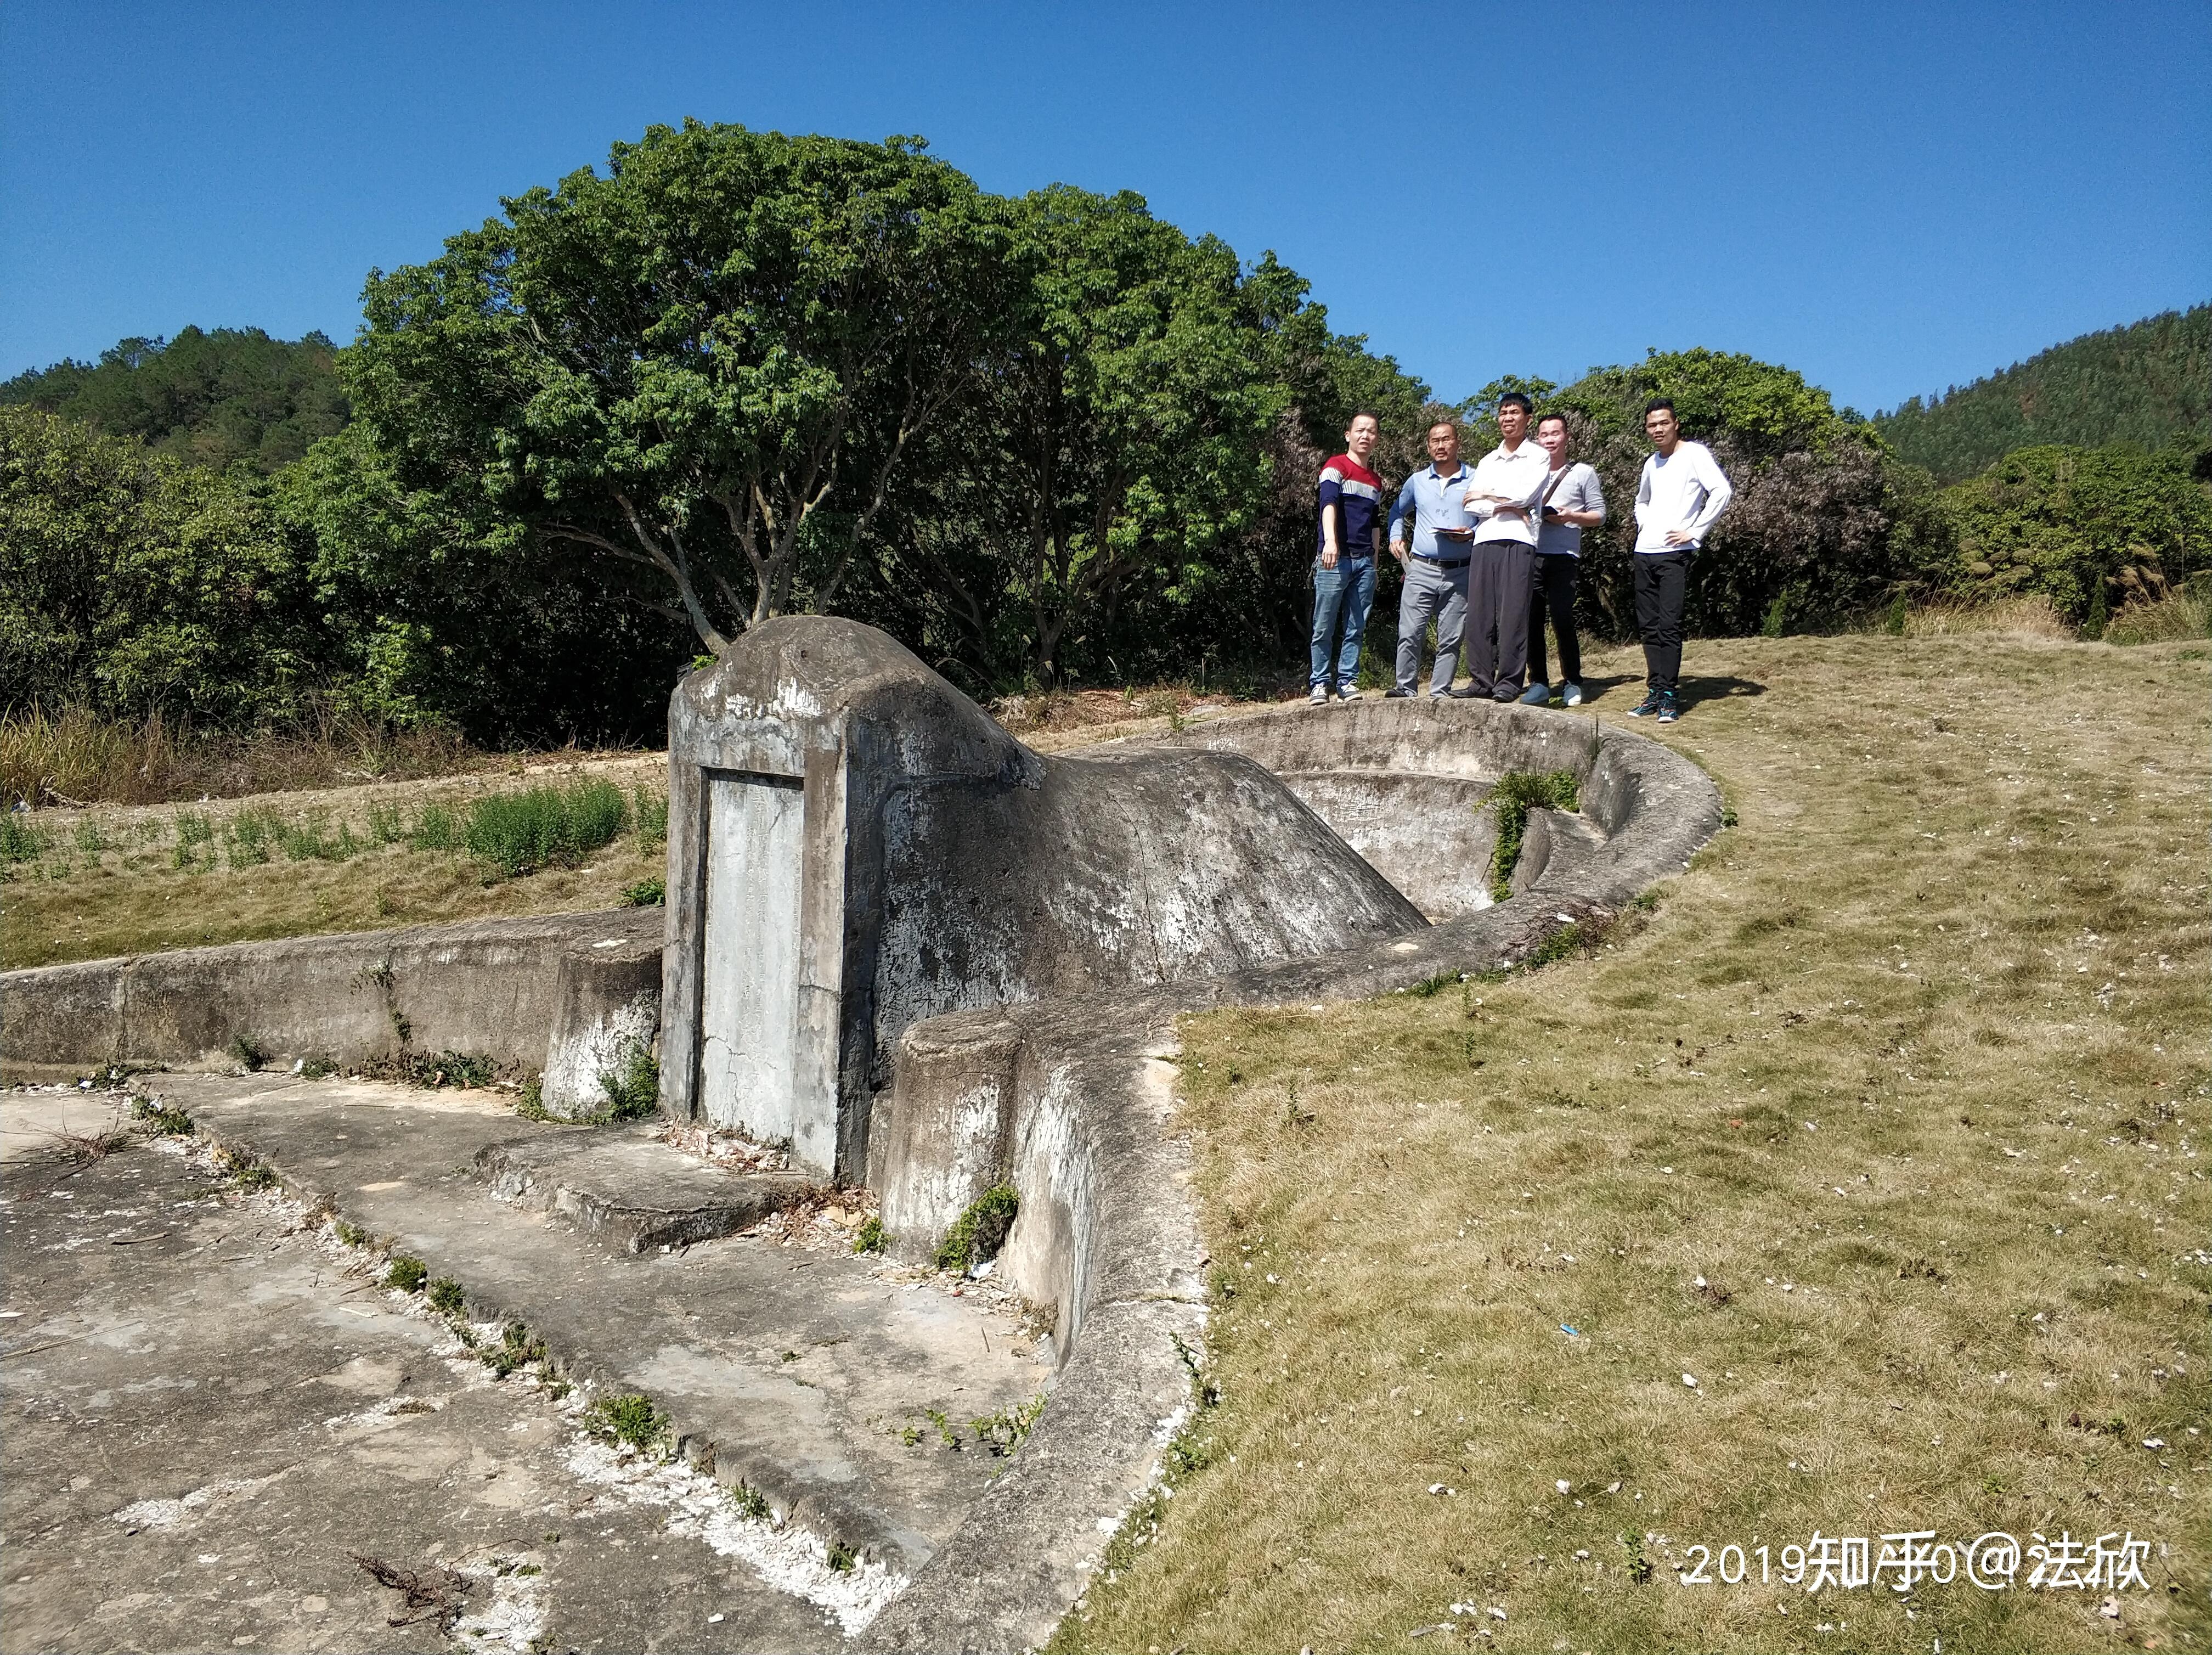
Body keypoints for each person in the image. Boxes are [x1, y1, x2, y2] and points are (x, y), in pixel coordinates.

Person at [1628, 399, 1733, 723]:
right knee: (1648, 627)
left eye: (1663, 423)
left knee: (1668, 625)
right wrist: (1645, 523)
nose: (1658, 430)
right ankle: (1656, 691)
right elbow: (1641, 499)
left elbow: (1721, 491)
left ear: (1676, 424)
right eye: (1652, 425)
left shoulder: (1695, 454)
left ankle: (1670, 695)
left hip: (1675, 554)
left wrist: (1695, 530)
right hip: (1645, 551)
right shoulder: (1651, 463)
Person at [1455, 392, 1551, 702]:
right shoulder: (1488, 460)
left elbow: (1524, 497)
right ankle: (1480, 681)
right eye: (1503, 413)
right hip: (1484, 539)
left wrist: (1490, 497)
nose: (1507, 418)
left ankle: (1509, 682)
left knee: (1512, 615)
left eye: (1514, 412)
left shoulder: (1538, 456)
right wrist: (1498, 502)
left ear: (1527, 418)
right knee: (1480, 615)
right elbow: (1472, 503)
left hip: (1520, 539)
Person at [1517, 413, 1606, 707]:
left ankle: (1573, 681)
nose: (1550, 439)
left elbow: (1599, 515)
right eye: (1544, 435)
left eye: (1556, 433)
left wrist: (1571, 517)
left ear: (1566, 436)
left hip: (1565, 556)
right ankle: (1539, 682)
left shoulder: (1583, 473)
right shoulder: (1530, 473)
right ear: (1537, 439)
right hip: (1531, 553)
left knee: (1562, 618)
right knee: (1531, 620)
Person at [1385, 419, 1477, 698]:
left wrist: (1473, 532)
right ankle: (1406, 689)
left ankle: (1439, 693)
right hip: (1421, 567)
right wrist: (1395, 538)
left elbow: (1490, 517)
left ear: (1457, 443)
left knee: (1451, 637)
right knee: (1410, 633)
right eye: (1435, 441)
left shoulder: (1476, 477)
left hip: (1461, 570)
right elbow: (1396, 512)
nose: (1441, 445)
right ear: (1428, 446)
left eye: (1446, 439)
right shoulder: (1417, 481)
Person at [1309, 413, 1385, 704]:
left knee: (1356, 626)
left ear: (1377, 438)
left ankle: (1347, 681)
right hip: (1334, 559)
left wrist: (1375, 566)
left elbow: (1375, 524)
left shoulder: (1376, 481)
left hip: (1364, 561)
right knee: (1324, 625)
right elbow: (1327, 504)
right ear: (1348, 435)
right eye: (1360, 430)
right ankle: (1319, 683)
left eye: (1372, 432)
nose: (1366, 436)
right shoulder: (1335, 466)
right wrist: (1331, 542)